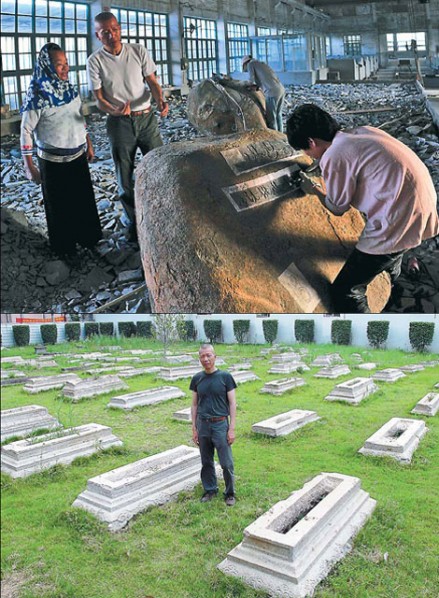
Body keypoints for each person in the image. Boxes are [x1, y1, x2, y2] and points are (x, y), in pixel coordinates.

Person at [286, 103, 439, 313]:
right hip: (423, 204)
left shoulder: (335, 155)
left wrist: (313, 189)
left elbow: (337, 207)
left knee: (346, 290)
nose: (309, 155)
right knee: (388, 254)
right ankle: (394, 282)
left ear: (311, 142)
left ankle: (369, 336)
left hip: (399, 217)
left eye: (306, 150)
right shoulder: (361, 132)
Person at [87, 12, 169, 241]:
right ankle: (135, 225)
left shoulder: (137, 51)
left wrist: (160, 100)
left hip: (146, 119)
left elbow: (152, 81)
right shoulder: (95, 61)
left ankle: (163, 214)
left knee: (159, 165)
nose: (111, 35)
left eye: (114, 29)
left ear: (120, 29)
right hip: (119, 123)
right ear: (98, 35)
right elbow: (99, 98)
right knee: (124, 174)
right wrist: (112, 110)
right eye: (105, 32)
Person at [20, 43, 102, 258]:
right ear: (46, 66)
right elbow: (26, 131)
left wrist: (88, 142)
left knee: (82, 200)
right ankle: (65, 250)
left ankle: (88, 239)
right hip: (52, 163)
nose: (65, 68)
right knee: (60, 207)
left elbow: (78, 119)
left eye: (66, 64)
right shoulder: (36, 96)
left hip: (77, 157)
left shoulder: (70, 89)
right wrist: (29, 167)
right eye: (59, 65)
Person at [190, 344, 237, 506]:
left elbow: (232, 404)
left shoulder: (225, 377)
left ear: (215, 357)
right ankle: (210, 489)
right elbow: (195, 405)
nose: (206, 359)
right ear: (199, 359)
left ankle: (230, 493)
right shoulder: (197, 378)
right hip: (203, 425)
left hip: (220, 424)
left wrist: (231, 428)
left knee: (226, 463)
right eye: (202, 356)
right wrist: (194, 428)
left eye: (208, 355)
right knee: (206, 461)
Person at [242, 54, 285, 132]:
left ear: (245, 63)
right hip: (280, 89)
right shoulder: (260, 63)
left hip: (272, 92)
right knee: (278, 115)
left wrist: (246, 87)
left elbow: (251, 80)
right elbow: (265, 80)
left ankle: (274, 137)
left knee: (271, 118)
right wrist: (257, 87)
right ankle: (281, 135)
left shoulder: (250, 64)